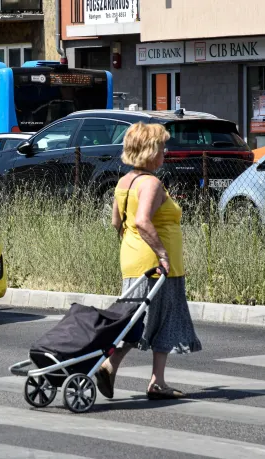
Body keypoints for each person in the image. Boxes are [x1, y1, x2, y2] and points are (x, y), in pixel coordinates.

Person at [96, 122, 202, 400]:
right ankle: (111, 364)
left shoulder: (125, 181)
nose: (165, 153)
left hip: (134, 260)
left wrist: (133, 244)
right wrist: (163, 253)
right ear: (149, 151)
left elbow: (116, 222)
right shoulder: (152, 183)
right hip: (158, 265)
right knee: (152, 321)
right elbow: (142, 221)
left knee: (137, 320)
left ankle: (157, 381)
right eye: (162, 148)